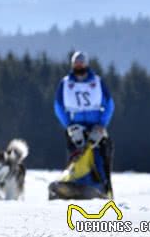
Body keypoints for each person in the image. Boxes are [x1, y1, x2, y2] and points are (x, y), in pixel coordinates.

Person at [54, 51, 115, 197]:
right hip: (75, 127)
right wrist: (69, 126)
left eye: (81, 62)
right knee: (76, 158)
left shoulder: (97, 82)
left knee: (100, 159)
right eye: (76, 63)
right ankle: (73, 188)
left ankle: (102, 190)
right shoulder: (66, 83)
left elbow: (109, 104)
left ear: (86, 64)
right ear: (72, 64)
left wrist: (101, 125)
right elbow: (58, 106)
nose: (79, 65)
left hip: (96, 127)